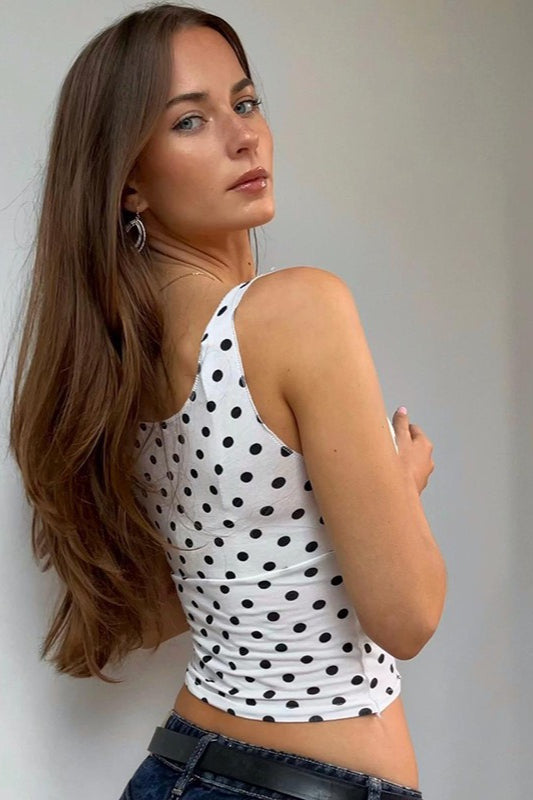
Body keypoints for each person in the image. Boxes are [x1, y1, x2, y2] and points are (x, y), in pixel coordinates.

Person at [8, 4, 447, 799]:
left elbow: (205, 593)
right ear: (129, 181)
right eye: (189, 121)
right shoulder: (296, 309)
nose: (244, 137)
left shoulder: (117, 364)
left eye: (244, 103)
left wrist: (365, 499)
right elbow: (407, 616)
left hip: (183, 768)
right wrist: (396, 488)